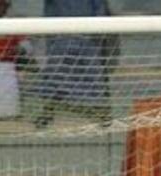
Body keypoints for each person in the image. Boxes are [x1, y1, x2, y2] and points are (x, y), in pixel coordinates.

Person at [33, 0, 114, 128]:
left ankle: (104, 114)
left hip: (88, 38)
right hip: (60, 38)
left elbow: (100, 8)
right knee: (53, 75)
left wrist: (97, 27)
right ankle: (47, 113)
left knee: (95, 75)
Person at [0, 0, 34, 121]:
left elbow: (28, 48)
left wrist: (18, 48)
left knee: (10, 89)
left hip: (8, 64)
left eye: (1, 4)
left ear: (7, 6)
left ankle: (10, 117)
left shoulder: (13, 23)